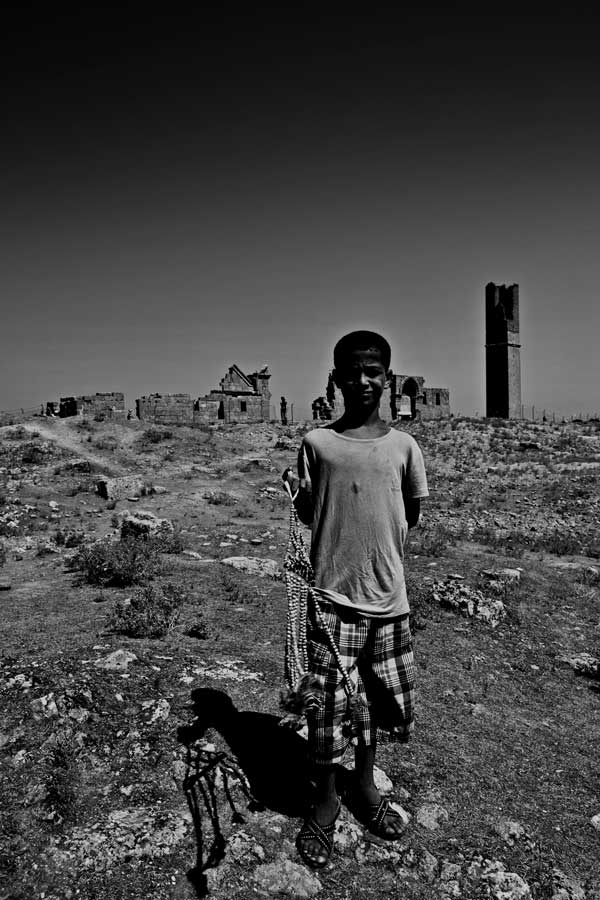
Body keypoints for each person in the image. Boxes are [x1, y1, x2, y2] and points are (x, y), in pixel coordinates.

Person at [282, 330, 428, 868]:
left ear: (387, 378)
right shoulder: (317, 444)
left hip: (388, 601)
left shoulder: (405, 447)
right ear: (336, 378)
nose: (362, 381)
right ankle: (324, 800)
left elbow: (410, 515)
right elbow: (308, 514)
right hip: (330, 600)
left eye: (373, 372)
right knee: (326, 708)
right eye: (351, 371)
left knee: (374, 702)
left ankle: (363, 787)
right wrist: (300, 498)